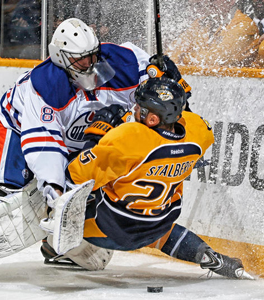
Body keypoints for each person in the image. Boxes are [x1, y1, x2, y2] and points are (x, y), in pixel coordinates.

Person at [0, 17, 191, 285]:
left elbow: (156, 94)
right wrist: (54, 190)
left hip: (73, 138)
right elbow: (44, 142)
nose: (91, 64)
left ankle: (67, 250)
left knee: (91, 191)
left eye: (93, 55)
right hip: (15, 129)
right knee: (3, 198)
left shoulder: (125, 60)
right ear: (61, 58)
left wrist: (173, 86)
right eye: (81, 60)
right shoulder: (43, 86)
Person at [61, 76, 253, 279]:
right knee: (154, 225)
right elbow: (188, 117)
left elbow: (75, 176)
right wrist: (173, 83)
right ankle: (208, 256)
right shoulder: (198, 133)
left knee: (56, 180)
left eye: (138, 107)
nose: (133, 110)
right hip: (157, 225)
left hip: (109, 231)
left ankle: (62, 251)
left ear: (152, 119)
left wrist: (96, 135)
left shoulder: (128, 138)